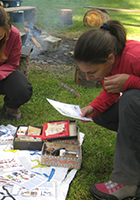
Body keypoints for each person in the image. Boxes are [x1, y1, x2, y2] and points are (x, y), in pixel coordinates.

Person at [73, 20, 140, 200]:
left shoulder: (135, 56)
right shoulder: (112, 59)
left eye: (92, 72)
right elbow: (110, 91)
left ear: (110, 58)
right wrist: (93, 107)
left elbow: (130, 87)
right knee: (103, 114)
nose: (88, 77)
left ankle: (126, 182)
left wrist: (131, 82)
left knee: (131, 99)